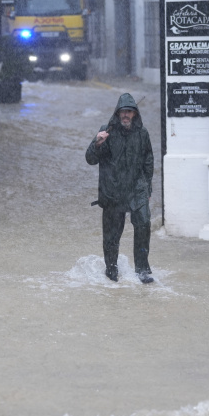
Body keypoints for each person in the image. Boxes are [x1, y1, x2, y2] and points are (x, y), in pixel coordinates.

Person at [86, 93, 155, 284]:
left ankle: (142, 270)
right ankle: (111, 269)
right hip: (113, 192)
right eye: (123, 112)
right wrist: (97, 142)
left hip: (137, 190)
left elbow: (148, 162)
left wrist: (147, 188)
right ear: (118, 113)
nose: (126, 115)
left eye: (130, 112)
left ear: (135, 114)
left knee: (143, 225)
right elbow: (90, 159)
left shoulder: (142, 134)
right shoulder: (106, 132)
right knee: (112, 234)